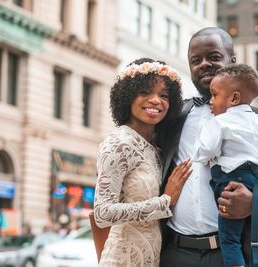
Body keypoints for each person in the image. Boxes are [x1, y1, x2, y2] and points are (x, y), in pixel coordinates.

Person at [157, 27, 258, 267]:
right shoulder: (173, 116)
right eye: (196, 60)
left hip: (236, 253)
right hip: (175, 253)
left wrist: (256, 202)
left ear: (231, 61)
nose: (204, 64)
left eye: (214, 57)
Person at [192, 64, 258, 267]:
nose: (211, 101)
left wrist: (202, 154)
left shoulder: (220, 122)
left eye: (214, 95)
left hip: (233, 183)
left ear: (233, 98)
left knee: (229, 237)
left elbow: (205, 151)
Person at [93, 57, 192, 266]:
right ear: (127, 97)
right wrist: (165, 201)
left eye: (164, 95)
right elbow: (102, 214)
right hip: (122, 259)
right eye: (145, 92)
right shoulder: (118, 143)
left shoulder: (156, 148)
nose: (156, 100)